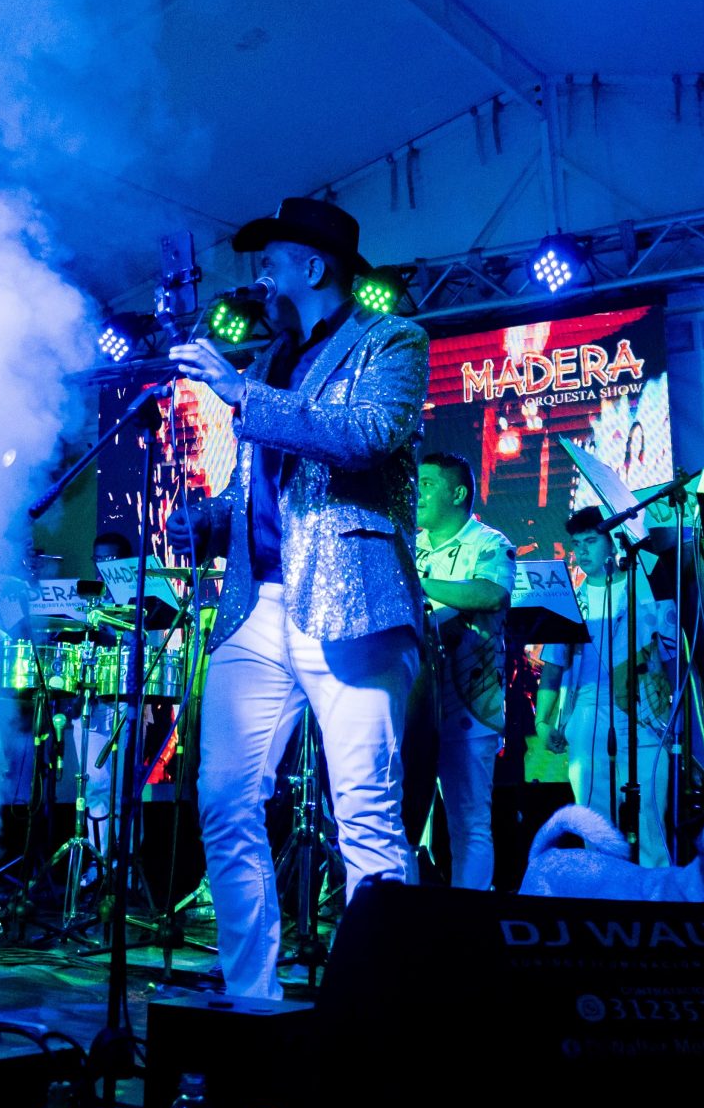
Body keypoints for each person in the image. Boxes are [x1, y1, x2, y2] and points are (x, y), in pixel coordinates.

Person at [170, 196, 427, 1001]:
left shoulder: (392, 340)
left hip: (353, 602)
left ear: (313, 267)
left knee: (367, 812)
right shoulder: (267, 363)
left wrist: (243, 398)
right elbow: (266, 491)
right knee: (224, 796)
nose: (260, 279)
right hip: (258, 605)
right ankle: (252, 993)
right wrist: (209, 519)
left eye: (271, 263)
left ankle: (376, 1007)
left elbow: (365, 435)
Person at [535, 505, 673, 861]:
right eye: (576, 543)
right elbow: (553, 666)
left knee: (651, 817)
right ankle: (604, 888)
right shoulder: (569, 599)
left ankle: (656, 889)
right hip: (587, 708)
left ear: (613, 543)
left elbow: (673, 659)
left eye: (591, 541)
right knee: (595, 821)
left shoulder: (647, 589)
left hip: (645, 707)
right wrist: (542, 720)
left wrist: (678, 713)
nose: (582, 551)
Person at [408, 452, 515, 889]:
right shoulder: (407, 543)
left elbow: (491, 594)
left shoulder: (489, 543)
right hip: (412, 706)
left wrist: (414, 584)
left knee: (468, 822)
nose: (417, 493)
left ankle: (470, 915)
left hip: (470, 705)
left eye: (428, 484)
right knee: (402, 820)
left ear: (457, 493)